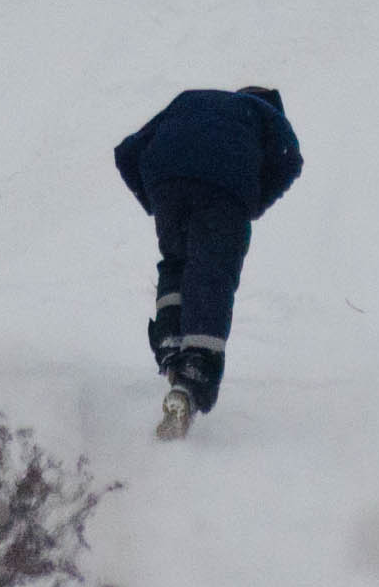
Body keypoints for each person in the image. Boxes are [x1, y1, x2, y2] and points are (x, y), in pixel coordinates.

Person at [113, 85, 302, 437]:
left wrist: (154, 197)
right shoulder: (267, 115)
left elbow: (126, 152)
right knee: (212, 273)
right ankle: (196, 369)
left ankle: (170, 340)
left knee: (177, 261)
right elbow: (290, 160)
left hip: (167, 177)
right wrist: (252, 201)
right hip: (224, 185)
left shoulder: (191, 101)